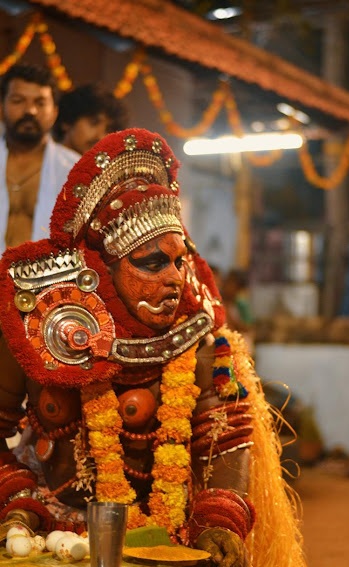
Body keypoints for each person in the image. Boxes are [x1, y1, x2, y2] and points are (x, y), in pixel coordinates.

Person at [0, 128, 306, 566]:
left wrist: (219, 520)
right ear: (101, 268)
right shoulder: (41, 324)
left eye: (180, 260)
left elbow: (227, 433)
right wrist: (17, 499)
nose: (175, 278)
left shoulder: (199, 337)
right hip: (52, 539)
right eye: (153, 263)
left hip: (169, 540)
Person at [0, 63, 80, 253]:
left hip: (46, 279)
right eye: (18, 100)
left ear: (54, 112)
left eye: (40, 103)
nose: (30, 111)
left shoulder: (74, 169)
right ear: (2, 107)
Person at [52, 83, 127, 155]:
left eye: (108, 129)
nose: (100, 137)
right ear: (67, 122)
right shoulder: (45, 161)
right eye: (94, 123)